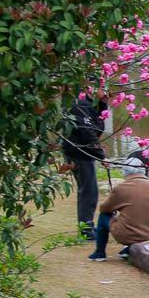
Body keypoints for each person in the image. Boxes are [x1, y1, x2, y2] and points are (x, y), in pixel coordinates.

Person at [90, 156, 149, 260]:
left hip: (131, 235)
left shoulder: (121, 188)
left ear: (125, 172)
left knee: (104, 216)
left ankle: (99, 253)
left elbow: (104, 208)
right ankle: (128, 250)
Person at [61, 95, 106, 234]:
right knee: (89, 192)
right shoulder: (80, 104)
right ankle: (86, 230)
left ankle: (87, 226)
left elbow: (97, 124)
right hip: (79, 153)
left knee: (88, 191)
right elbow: (86, 130)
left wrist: (103, 104)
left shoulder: (91, 103)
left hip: (84, 152)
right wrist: (102, 156)